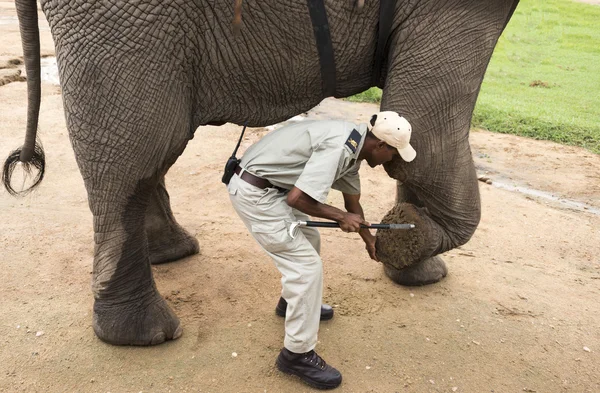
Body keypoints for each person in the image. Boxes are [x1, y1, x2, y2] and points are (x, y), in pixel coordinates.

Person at [227, 111, 416, 390]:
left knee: (310, 239)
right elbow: (298, 198)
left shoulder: (354, 147)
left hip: (272, 190)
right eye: (395, 154)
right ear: (381, 146)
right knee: (306, 267)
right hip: (257, 195)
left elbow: (354, 207)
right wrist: (339, 217)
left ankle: (291, 305)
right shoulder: (340, 147)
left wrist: (370, 240)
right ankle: (297, 355)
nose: (394, 160)